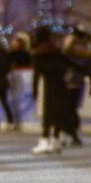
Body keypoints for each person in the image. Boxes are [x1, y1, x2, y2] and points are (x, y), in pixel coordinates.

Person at [31, 27, 78, 155]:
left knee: (48, 113)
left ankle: (45, 140)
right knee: (57, 113)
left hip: (49, 85)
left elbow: (36, 74)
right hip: (61, 85)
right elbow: (71, 64)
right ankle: (56, 140)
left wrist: (34, 89)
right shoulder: (57, 52)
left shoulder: (39, 53)